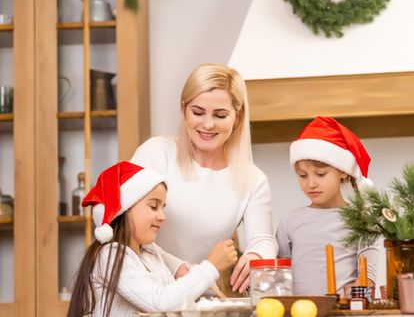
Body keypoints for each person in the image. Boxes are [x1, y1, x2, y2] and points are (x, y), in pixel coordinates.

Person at [131, 63, 278, 293]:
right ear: (183, 110)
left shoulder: (252, 179)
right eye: (198, 112)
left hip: (199, 298)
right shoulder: (155, 154)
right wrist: (176, 266)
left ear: (237, 118)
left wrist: (255, 255)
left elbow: (264, 240)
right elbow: (123, 226)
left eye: (220, 115)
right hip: (144, 290)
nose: (208, 124)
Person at [68, 161, 238, 317]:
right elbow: (160, 303)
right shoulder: (110, 256)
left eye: (162, 208)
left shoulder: (150, 256)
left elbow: (173, 302)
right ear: (125, 209)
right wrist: (211, 267)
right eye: (153, 206)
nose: (162, 216)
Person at [276, 116, 379, 296]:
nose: (311, 184)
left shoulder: (362, 219)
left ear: (343, 172)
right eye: (302, 175)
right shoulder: (289, 221)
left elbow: (367, 277)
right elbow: (281, 275)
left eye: (320, 174)